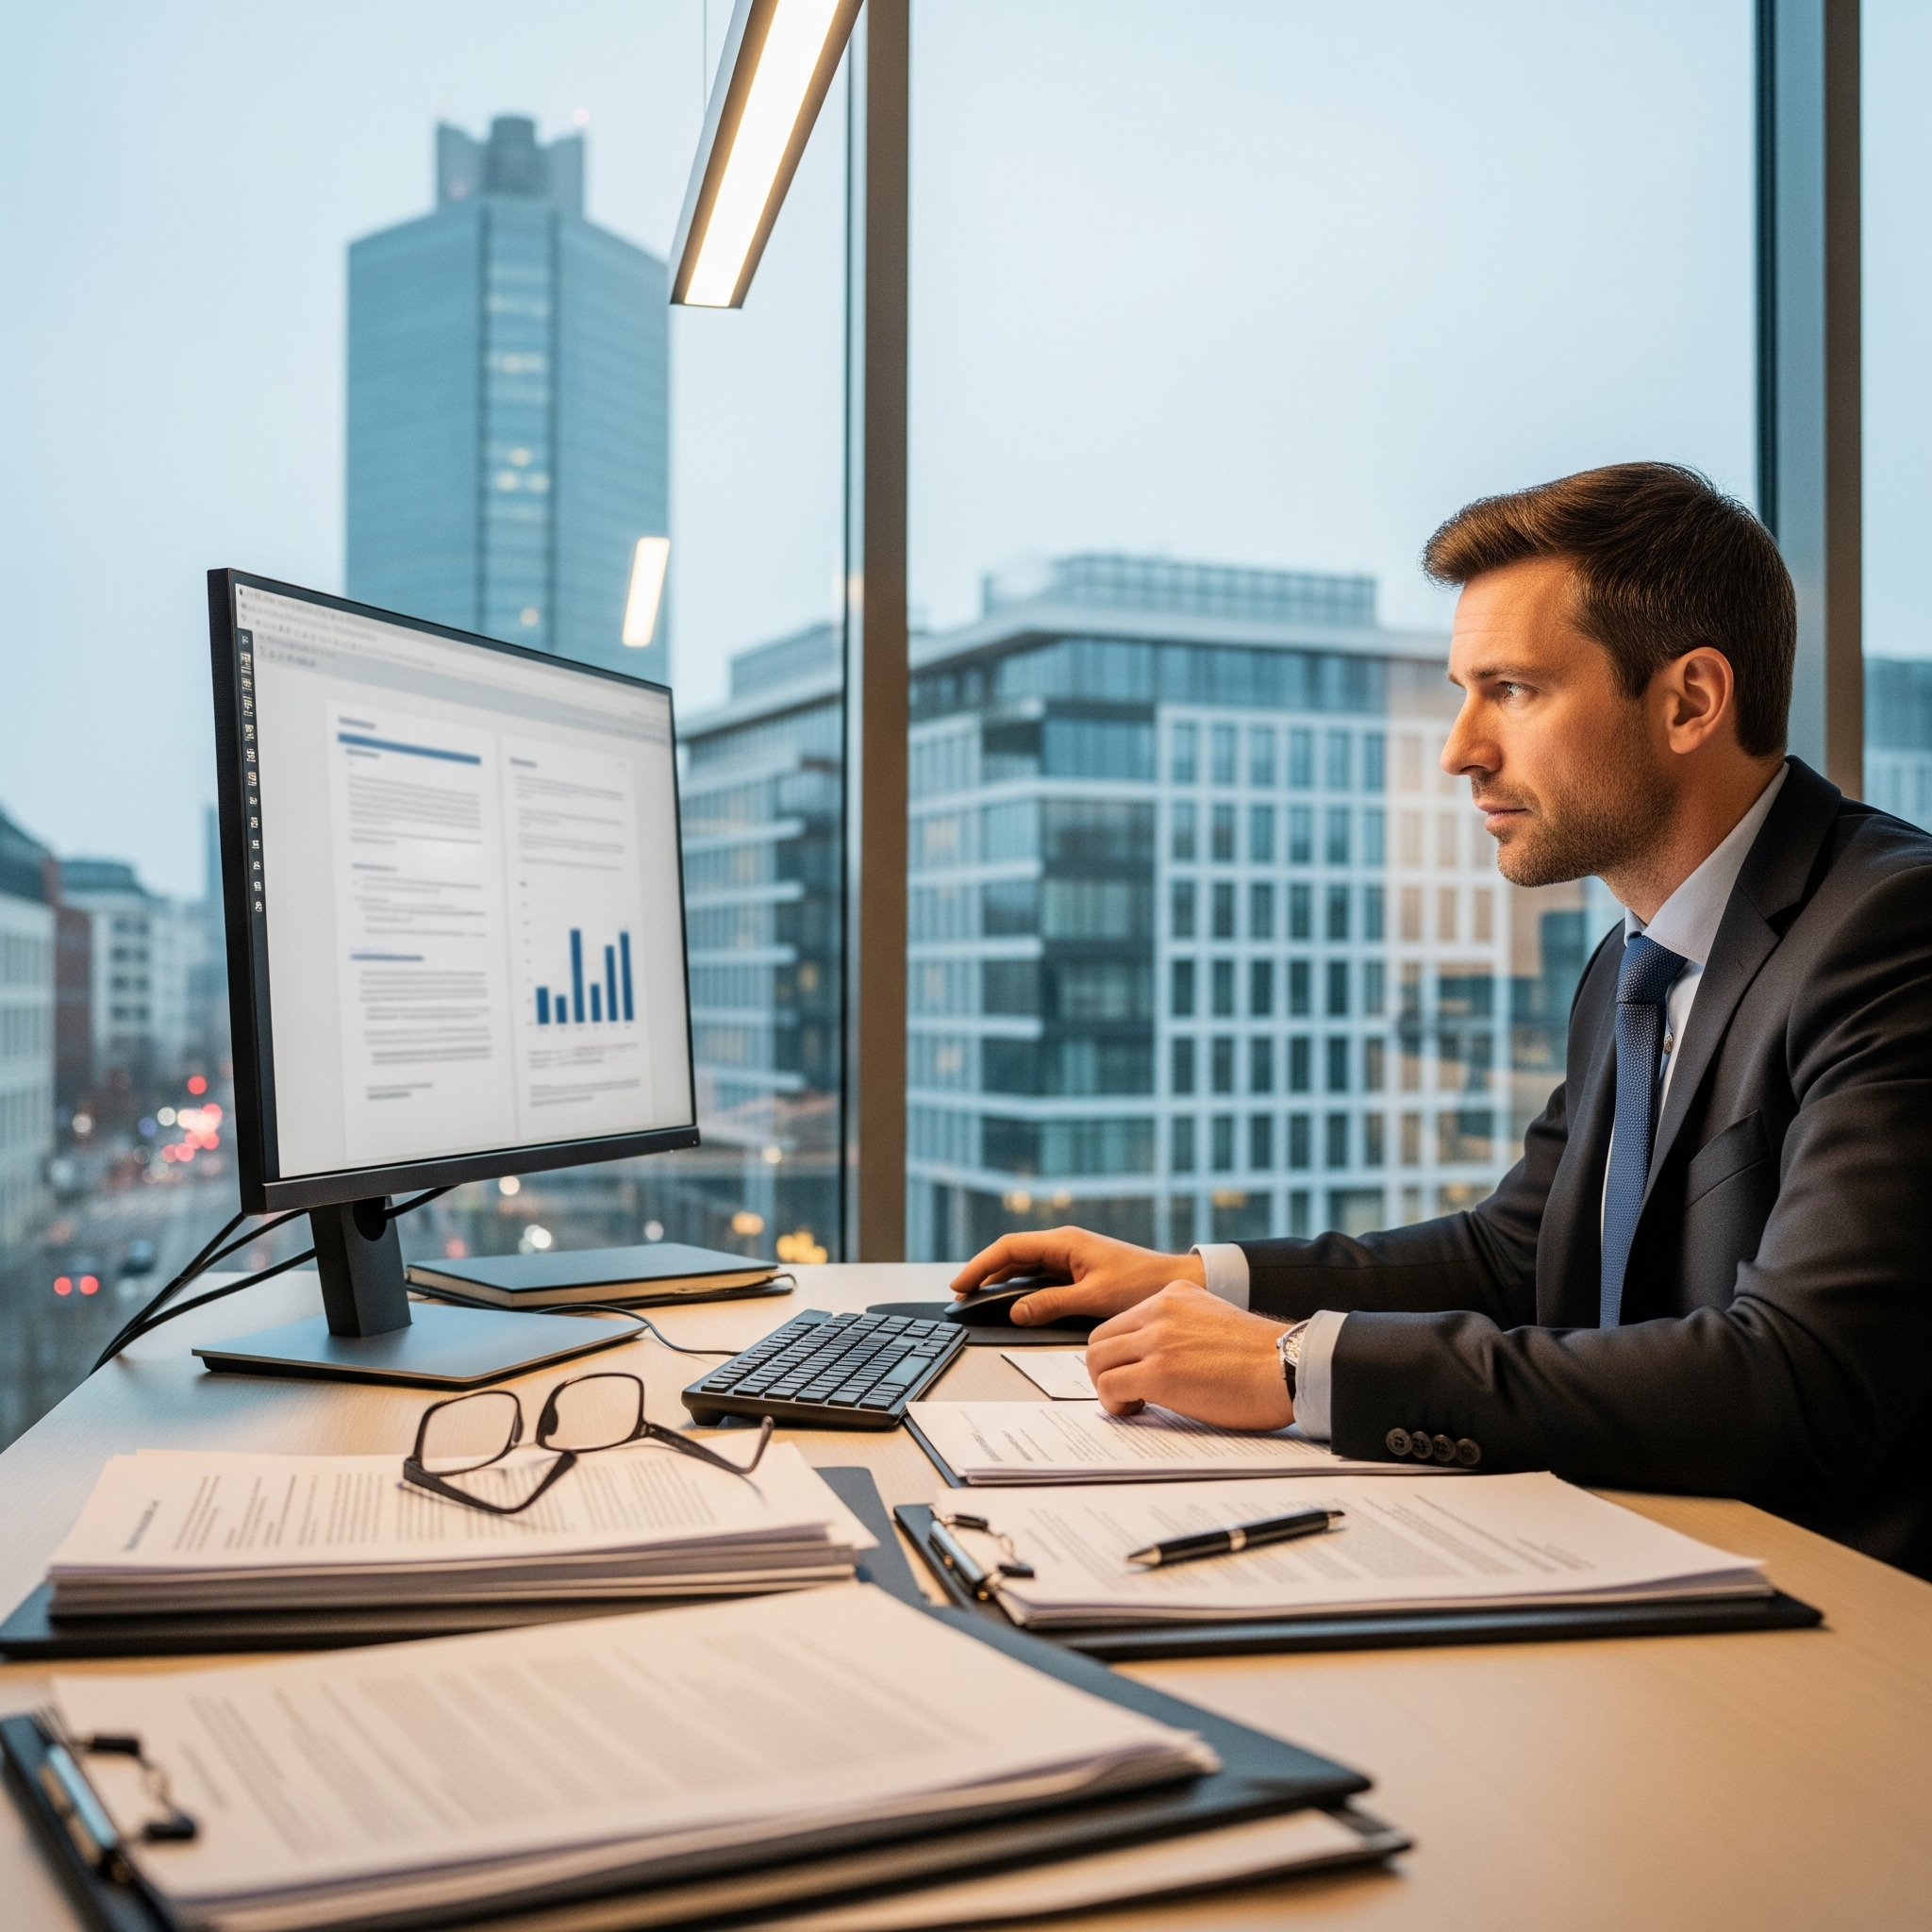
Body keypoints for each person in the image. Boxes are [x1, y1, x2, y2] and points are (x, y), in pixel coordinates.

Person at [953, 462, 1932, 1579]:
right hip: (1651, 1554)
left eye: (1510, 689)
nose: (1458, 747)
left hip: (1850, 1621)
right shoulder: (1638, 953)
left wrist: (1292, 1365)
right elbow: (1513, 1253)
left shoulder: (1890, 929)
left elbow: (1798, 1380)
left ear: (1688, 701)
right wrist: (1195, 1277)